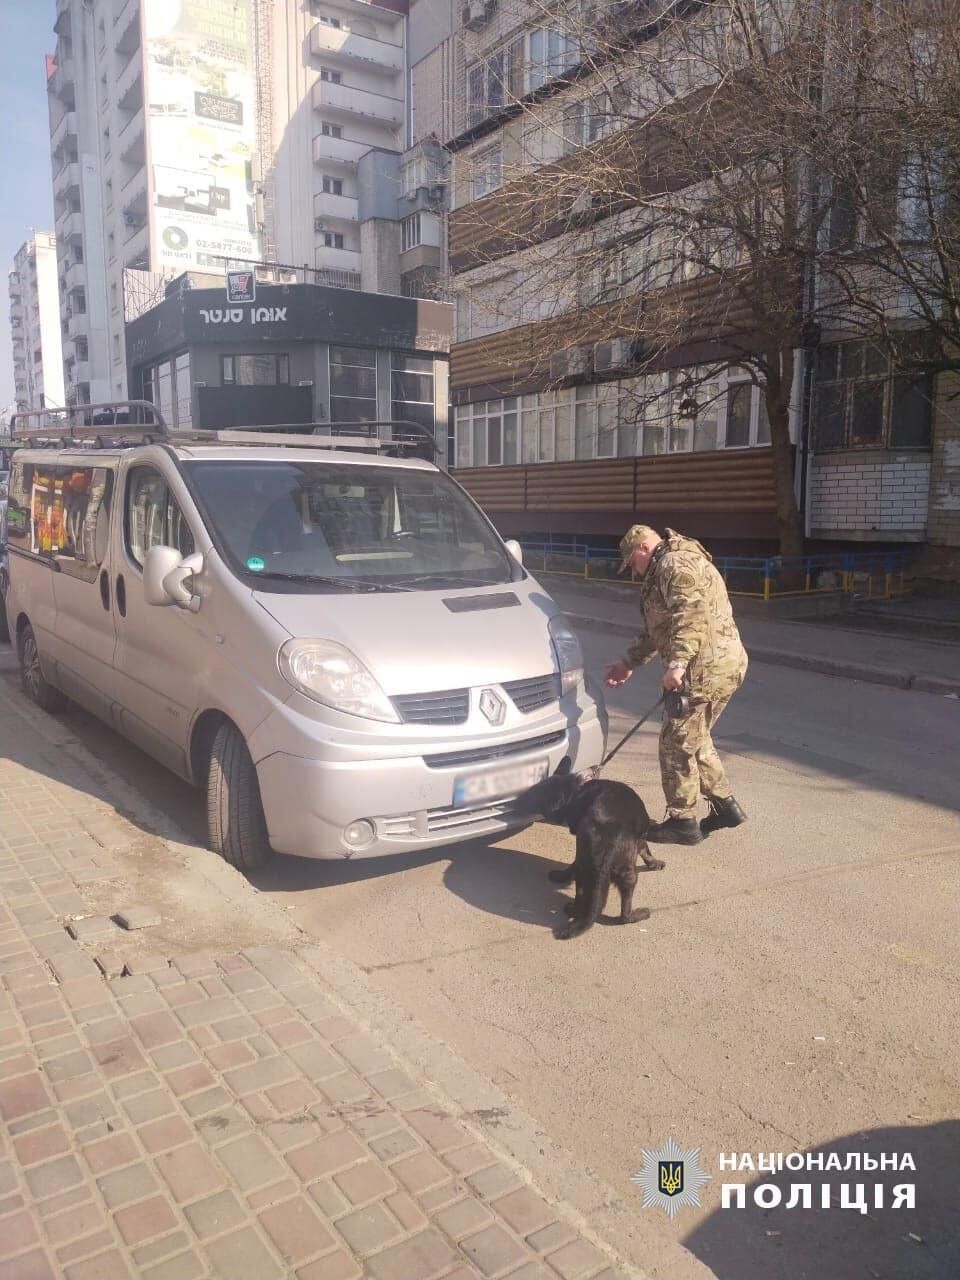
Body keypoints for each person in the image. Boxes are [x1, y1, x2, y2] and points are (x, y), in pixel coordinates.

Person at [605, 524, 748, 845]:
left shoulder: (674, 565)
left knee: (674, 742)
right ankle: (725, 805)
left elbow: (690, 615)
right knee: (693, 736)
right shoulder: (665, 566)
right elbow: (661, 627)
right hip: (716, 664)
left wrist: (678, 663)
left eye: (632, 563)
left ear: (642, 548)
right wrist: (629, 662)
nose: (633, 571)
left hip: (703, 668)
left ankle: (682, 820)